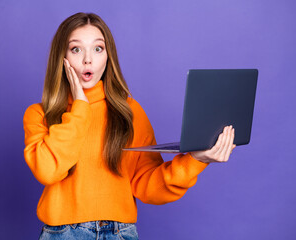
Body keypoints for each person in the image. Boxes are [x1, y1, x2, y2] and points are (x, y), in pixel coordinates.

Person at [23, 12, 236, 240]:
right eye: (76, 49)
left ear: (108, 56)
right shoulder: (39, 114)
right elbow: (47, 170)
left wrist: (197, 160)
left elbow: (147, 183)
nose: (88, 59)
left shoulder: (129, 111)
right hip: (62, 235)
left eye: (98, 48)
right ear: (61, 57)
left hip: (119, 234)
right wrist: (80, 108)